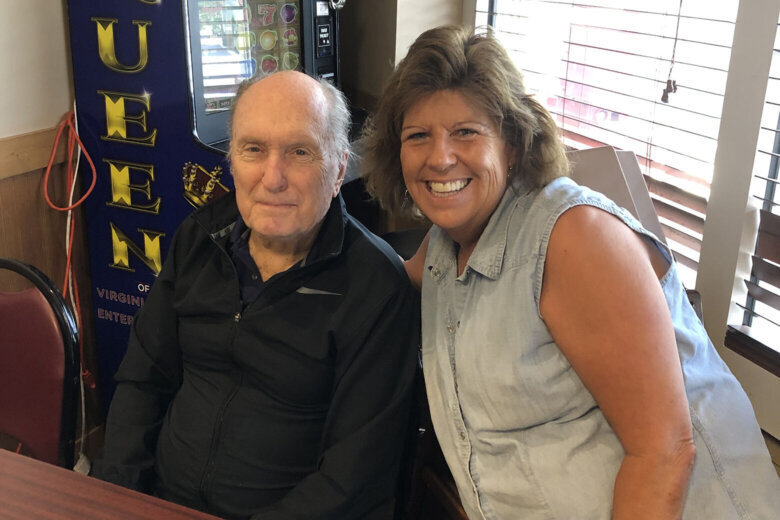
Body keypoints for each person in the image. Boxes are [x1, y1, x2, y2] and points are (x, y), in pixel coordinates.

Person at [362, 25, 779, 520]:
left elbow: (665, 452)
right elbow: (387, 282)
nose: (440, 157)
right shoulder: (444, 245)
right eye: (418, 136)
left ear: (513, 144)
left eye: (466, 132)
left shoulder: (573, 237)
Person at [91, 71, 420, 520]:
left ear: (340, 166)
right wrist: (115, 498)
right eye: (253, 149)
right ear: (231, 159)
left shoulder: (376, 287)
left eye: (299, 152)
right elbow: (143, 381)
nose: (273, 177)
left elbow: (351, 479)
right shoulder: (199, 238)